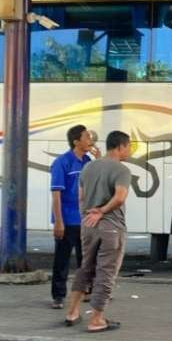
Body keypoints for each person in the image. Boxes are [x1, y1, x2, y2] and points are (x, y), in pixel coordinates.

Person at [63, 131, 133, 333]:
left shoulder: (88, 166)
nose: (129, 151)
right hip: (111, 226)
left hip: (88, 226)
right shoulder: (122, 170)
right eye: (128, 147)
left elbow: (81, 197)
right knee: (106, 273)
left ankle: (72, 312)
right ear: (120, 146)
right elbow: (120, 198)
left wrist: (88, 215)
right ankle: (96, 319)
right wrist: (101, 211)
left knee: (85, 268)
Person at [50, 124, 98, 309]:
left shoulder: (88, 161)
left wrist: (99, 159)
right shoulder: (62, 162)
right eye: (87, 137)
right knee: (61, 259)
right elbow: (56, 193)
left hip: (84, 218)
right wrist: (59, 221)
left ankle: (86, 290)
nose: (90, 140)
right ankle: (58, 295)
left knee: (85, 258)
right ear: (76, 141)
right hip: (67, 218)